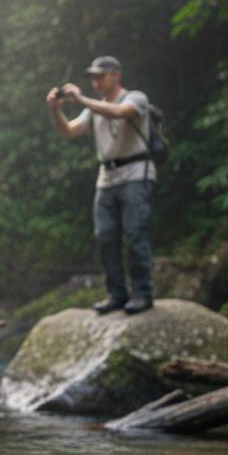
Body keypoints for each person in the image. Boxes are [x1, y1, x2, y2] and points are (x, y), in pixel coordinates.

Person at [46, 55, 156, 315]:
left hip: (135, 173)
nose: (95, 81)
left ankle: (142, 292)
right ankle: (116, 293)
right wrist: (55, 109)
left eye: (99, 76)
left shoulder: (135, 98)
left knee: (135, 233)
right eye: (92, 77)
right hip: (106, 178)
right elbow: (68, 132)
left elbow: (120, 112)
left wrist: (82, 99)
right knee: (105, 236)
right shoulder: (92, 109)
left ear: (116, 74)